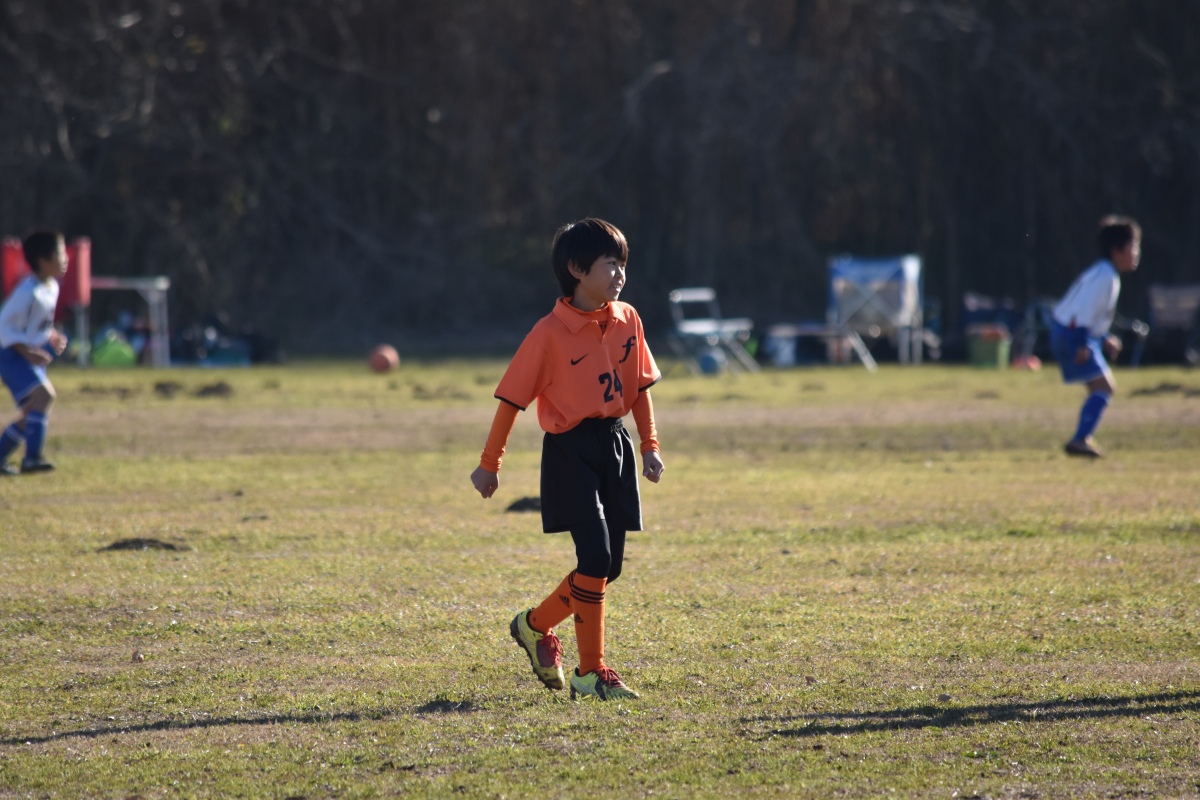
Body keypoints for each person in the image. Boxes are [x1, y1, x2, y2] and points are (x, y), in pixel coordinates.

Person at [470, 218, 665, 701]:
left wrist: (650, 446)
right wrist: (490, 463)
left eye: (623, 263)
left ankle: (534, 625)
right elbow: (511, 401)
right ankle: (590, 670)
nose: (620, 273)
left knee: (607, 568)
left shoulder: (629, 318)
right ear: (577, 269)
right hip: (569, 452)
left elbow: (639, 388)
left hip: (614, 445)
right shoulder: (548, 333)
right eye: (610, 264)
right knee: (594, 558)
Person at [1050, 215, 1142, 458]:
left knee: (1101, 387)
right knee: (1104, 386)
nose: (1136, 253)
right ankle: (1080, 440)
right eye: (1133, 246)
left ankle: (1082, 438)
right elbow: (1083, 313)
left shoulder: (1103, 272)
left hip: (1068, 331)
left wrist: (1103, 338)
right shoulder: (1105, 277)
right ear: (1116, 251)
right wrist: (1082, 343)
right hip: (1073, 335)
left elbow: (1088, 314)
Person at [0, 229, 69, 475]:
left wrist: (51, 336)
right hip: (10, 356)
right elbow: (3, 327)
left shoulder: (50, 287)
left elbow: (37, 325)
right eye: (60, 253)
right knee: (44, 396)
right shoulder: (26, 292)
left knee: (33, 409)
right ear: (43, 260)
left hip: (25, 355)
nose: (65, 259)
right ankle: (32, 459)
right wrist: (27, 352)